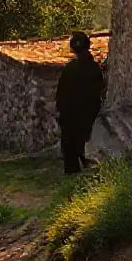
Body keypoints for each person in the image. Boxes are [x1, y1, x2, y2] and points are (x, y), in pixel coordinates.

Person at [56, 31, 105, 174]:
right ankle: (80, 171)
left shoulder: (70, 68)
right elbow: (97, 91)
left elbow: (61, 93)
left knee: (70, 146)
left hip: (71, 114)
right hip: (85, 113)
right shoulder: (94, 69)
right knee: (80, 143)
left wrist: (60, 111)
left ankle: (73, 173)